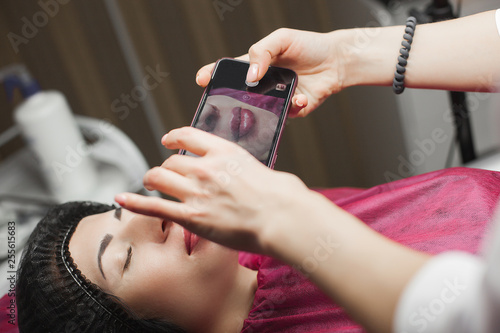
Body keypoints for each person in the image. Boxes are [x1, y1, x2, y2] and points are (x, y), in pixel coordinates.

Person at [14, 8, 500, 333]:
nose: (153, 215)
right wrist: (283, 219)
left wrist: (349, 56)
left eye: (128, 209)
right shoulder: (281, 219)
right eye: (123, 260)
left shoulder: (286, 223)